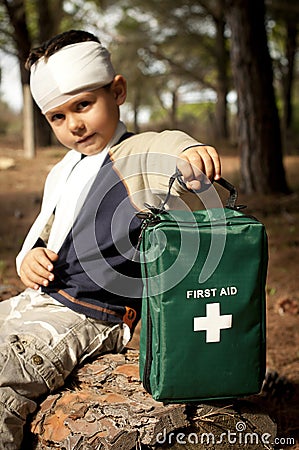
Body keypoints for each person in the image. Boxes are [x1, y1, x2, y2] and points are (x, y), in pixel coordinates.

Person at [0, 29, 221, 449]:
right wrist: (29, 258)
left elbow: (165, 146)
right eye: (58, 117)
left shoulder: (133, 156)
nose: (74, 125)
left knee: (7, 374)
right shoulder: (65, 169)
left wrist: (189, 152)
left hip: (87, 316)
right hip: (40, 300)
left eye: (84, 105)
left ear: (117, 91)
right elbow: (47, 232)